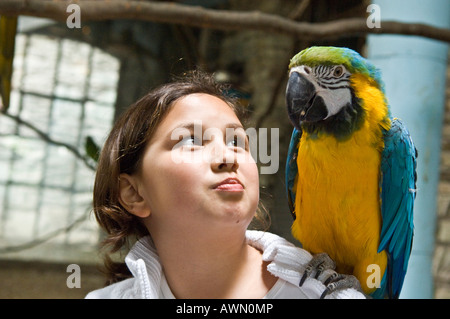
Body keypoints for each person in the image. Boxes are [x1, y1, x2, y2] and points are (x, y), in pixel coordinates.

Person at [85, 71, 365, 299]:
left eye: (237, 142)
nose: (227, 157)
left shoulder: (325, 293)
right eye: (190, 141)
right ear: (134, 193)